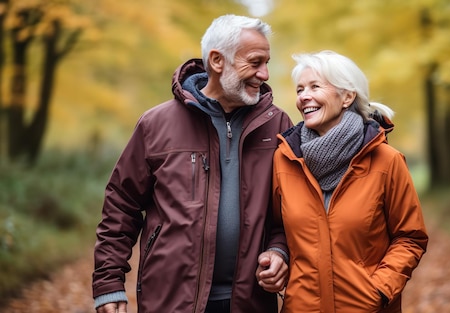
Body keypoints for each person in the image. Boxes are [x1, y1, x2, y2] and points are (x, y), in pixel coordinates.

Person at [92, 14, 293, 313]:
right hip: (171, 301)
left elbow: (288, 211)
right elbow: (121, 206)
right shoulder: (155, 125)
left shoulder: (277, 124)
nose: (264, 74)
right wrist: (108, 286)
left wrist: (279, 251)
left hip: (250, 303)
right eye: (255, 62)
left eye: (266, 63)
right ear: (217, 60)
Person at [271, 50, 429, 312]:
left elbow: (410, 237)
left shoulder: (386, 161)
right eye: (300, 89)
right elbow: (277, 230)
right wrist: (276, 255)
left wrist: (379, 289)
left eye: (314, 86)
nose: (303, 96)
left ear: (347, 96)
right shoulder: (284, 160)